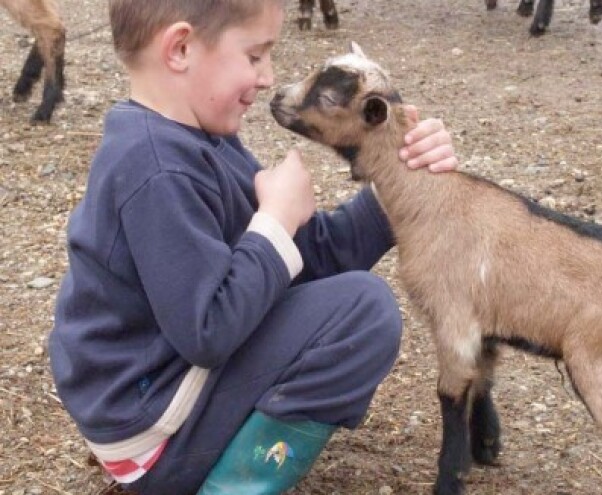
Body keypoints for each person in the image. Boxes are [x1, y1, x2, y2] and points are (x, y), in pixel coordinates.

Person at [47, 1, 458, 494]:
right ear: (180, 48)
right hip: (151, 426)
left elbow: (309, 261)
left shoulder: (197, 141)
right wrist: (274, 223)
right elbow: (208, 331)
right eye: (255, 56)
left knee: (348, 301)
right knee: (363, 311)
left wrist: (397, 186)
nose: (268, 78)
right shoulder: (156, 167)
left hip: (165, 395)